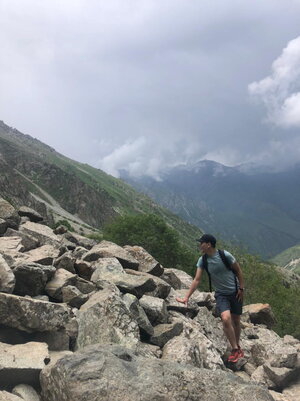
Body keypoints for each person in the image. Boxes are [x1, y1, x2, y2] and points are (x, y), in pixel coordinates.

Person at [176, 234, 245, 363]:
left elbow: (239, 271)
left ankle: (238, 346)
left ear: (208, 244)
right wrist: (186, 297)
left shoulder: (225, 255)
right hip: (221, 294)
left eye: (201, 242)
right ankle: (235, 349)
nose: (199, 245)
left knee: (236, 320)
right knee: (225, 318)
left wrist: (241, 288)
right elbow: (197, 280)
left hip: (235, 292)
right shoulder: (203, 260)